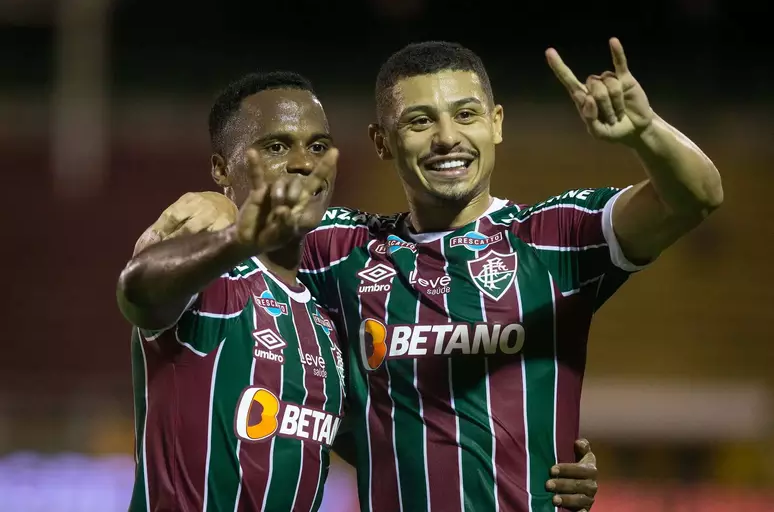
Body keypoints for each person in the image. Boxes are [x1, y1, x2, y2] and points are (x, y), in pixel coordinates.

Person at [138, 36, 722, 511]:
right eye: (419, 121)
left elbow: (695, 198)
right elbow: (256, 219)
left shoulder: (555, 237)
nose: (447, 138)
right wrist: (215, 206)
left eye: (465, 115)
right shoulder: (341, 250)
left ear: (496, 123)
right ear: (382, 142)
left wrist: (647, 132)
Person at [117, 71, 346, 511]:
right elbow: (138, 293)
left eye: (318, 146)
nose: (304, 163)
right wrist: (236, 241)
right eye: (276, 147)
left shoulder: (324, 321)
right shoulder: (211, 275)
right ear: (222, 168)